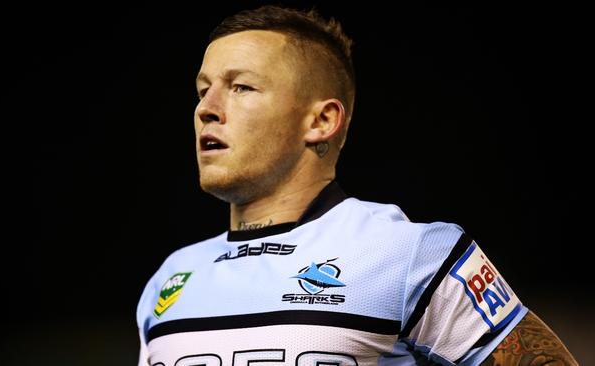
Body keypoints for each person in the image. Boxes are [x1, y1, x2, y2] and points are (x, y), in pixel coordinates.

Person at [136, 5, 577, 366]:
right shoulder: (171, 280)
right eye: (202, 90)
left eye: (242, 87)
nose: (206, 109)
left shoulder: (411, 255)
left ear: (322, 121)